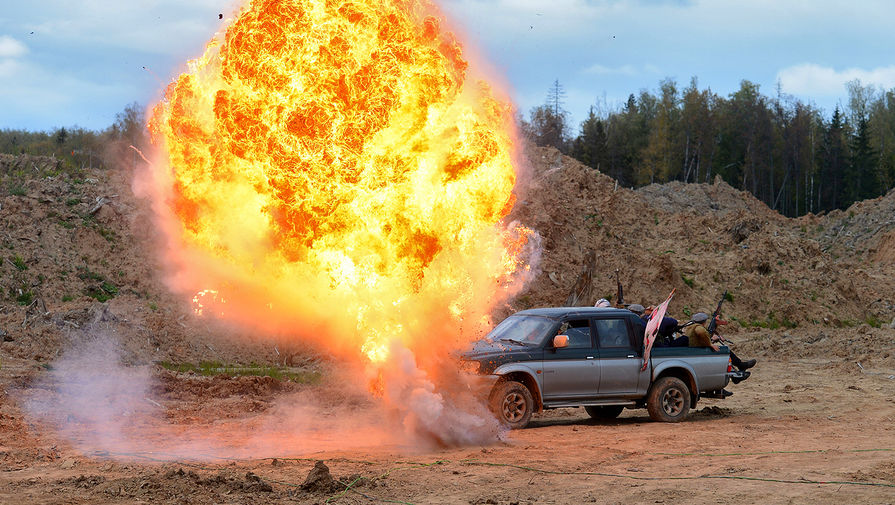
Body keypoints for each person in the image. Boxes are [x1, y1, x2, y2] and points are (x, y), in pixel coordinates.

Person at [683, 312, 756, 370]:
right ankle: (741, 365)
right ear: (704, 322)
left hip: (694, 350)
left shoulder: (691, 327)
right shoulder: (698, 327)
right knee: (725, 351)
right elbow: (701, 332)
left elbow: (701, 338)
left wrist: (712, 335)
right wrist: (710, 344)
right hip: (698, 352)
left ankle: (735, 375)